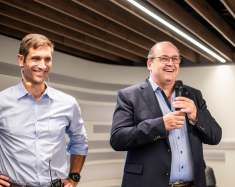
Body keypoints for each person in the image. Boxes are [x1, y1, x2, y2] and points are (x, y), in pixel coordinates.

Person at [110, 41, 222, 187]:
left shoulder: (193, 95)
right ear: (149, 64)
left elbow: (215, 136)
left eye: (175, 59)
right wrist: (160, 125)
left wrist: (196, 116)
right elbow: (118, 139)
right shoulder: (129, 95)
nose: (171, 63)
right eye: (164, 59)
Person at [0, 34, 88, 187]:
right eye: (35, 58)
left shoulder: (68, 103)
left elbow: (80, 141)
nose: (42, 65)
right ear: (21, 60)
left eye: (47, 59)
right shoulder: (2, 101)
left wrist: (74, 177)